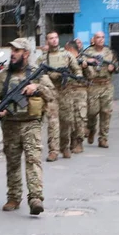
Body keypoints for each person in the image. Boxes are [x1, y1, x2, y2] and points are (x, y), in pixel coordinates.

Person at [0, 38, 54, 215]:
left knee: (33, 160)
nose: (13, 54)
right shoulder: (3, 76)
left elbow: (52, 93)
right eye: (12, 50)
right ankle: (14, 197)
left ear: (26, 53)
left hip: (31, 123)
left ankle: (35, 198)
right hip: (10, 125)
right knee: (13, 163)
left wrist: (37, 87)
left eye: (17, 51)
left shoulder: (37, 74)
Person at [36, 31, 83, 160]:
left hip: (66, 91)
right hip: (51, 93)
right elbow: (36, 74)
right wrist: (47, 79)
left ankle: (65, 146)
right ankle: (53, 150)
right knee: (53, 122)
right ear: (47, 41)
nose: (54, 40)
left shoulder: (67, 55)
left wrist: (77, 77)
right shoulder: (42, 59)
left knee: (66, 121)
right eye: (51, 38)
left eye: (56, 37)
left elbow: (77, 69)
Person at [82, 31, 119, 148]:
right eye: (98, 37)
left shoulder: (110, 52)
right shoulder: (87, 53)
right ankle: (91, 129)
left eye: (103, 37)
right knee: (92, 112)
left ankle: (103, 138)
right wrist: (85, 64)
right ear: (94, 39)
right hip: (93, 85)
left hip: (106, 85)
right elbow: (79, 66)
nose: (101, 39)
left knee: (106, 112)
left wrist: (113, 68)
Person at [66, 40, 91, 153]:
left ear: (72, 49)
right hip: (67, 92)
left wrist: (85, 67)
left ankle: (79, 143)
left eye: (67, 50)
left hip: (80, 92)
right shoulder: (66, 60)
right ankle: (72, 142)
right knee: (70, 118)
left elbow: (91, 75)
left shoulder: (82, 60)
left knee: (79, 118)